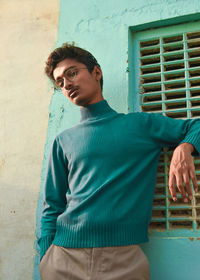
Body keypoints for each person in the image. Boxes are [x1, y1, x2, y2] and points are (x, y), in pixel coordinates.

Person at [38, 43, 200, 280]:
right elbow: (52, 206)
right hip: (62, 260)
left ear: (96, 72)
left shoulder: (140, 125)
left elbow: (195, 125)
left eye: (72, 73)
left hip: (123, 262)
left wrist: (184, 147)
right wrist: (45, 258)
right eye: (60, 82)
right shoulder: (63, 141)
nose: (67, 84)